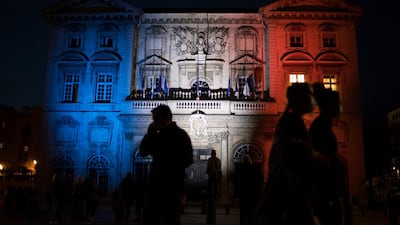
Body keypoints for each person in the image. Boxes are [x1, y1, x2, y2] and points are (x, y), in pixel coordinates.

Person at [252, 82, 317, 225]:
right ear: (301, 100)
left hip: (288, 188)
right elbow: (291, 155)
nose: (313, 100)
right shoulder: (292, 122)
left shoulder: (291, 120)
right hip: (289, 189)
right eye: (309, 96)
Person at [139, 104, 193, 225]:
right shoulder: (180, 134)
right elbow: (143, 152)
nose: (153, 123)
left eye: (154, 119)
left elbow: (143, 151)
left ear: (163, 119)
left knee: (157, 219)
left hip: (164, 185)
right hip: (171, 185)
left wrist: (168, 168)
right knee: (169, 219)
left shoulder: (164, 136)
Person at [309, 83, 343, 225]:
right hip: (325, 190)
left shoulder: (321, 125)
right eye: (337, 104)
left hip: (325, 190)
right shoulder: (320, 126)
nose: (340, 108)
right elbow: (319, 160)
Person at [235, 154, 263, 225]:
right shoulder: (255, 168)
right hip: (252, 192)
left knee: (243, 212)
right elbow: (260, 180)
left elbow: (235, 180)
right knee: (251, 211)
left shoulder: (239, 168)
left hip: (243, 192)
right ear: (250, 160)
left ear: (243, 160)